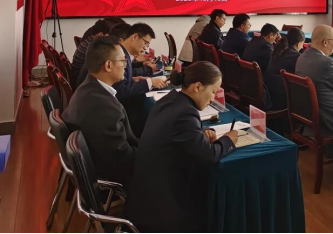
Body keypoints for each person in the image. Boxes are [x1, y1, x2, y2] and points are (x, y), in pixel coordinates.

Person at [126, 62, 238, 233]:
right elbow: (209, 155)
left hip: (144, 193)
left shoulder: (171, 99)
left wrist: (199, 133)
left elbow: (177, 132)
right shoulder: (186, 113)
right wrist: (229, 140)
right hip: (163, 206)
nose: (213, 98)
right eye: (213, 91)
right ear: (197, 87)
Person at [62, 35, 139, 190]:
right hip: (117, 177)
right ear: (108, 65)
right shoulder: (103, 107)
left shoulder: (88, 88)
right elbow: (124, 160)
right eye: (123, 61)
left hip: (102, 161)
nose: (126, 66)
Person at [296, 25, 333, 142]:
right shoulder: (327, 63)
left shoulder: (302, 57)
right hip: (329, 117)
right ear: (325, 42)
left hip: (308, 112)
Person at [265, 27, 305, 110]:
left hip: (269, 93)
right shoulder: (295, 57)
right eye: (302, 44)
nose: (302, 47)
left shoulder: (279, 49)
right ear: (298, 44)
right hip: (281, 98)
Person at [70, 19, 111, 86]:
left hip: (78, 81)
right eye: (108, 37)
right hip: (82, 85)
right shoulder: (92, 49)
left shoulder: (88, 41)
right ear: (100, 34)